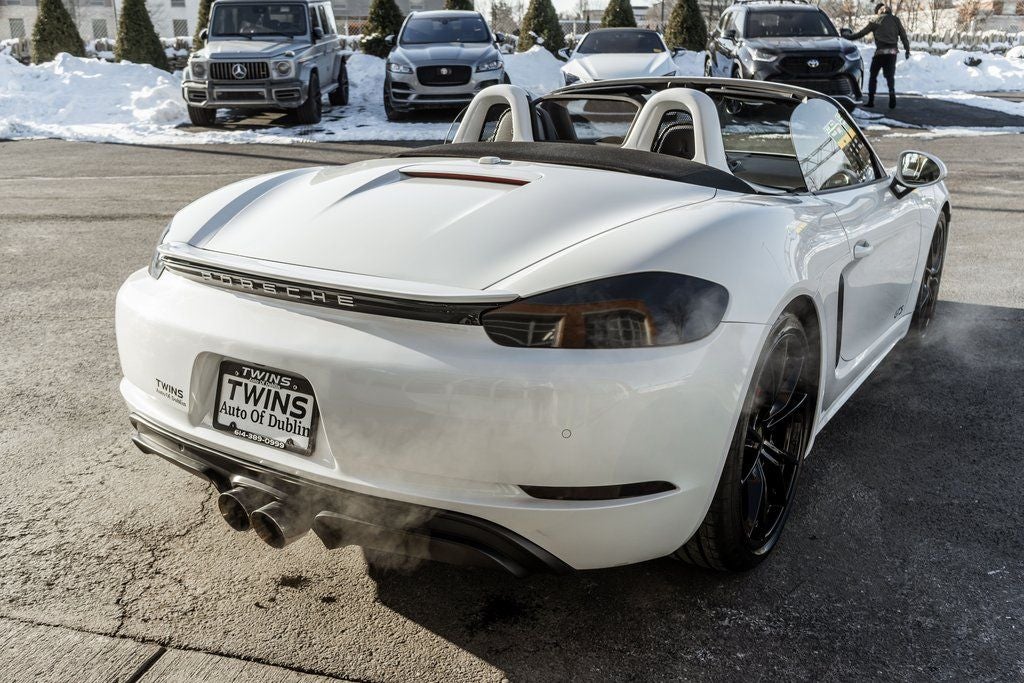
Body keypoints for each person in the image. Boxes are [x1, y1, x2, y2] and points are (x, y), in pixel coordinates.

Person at [848, 3, 911, 109]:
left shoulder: (875, 21)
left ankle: (871, 101)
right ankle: (892, 95)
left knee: (873, 76)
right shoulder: (896, 20)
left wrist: (848, 37)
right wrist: (907, 49)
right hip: (892, 52)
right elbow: (903, 36)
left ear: (879, 12)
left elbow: (861, 33)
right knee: (890, 76)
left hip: (880, 52)